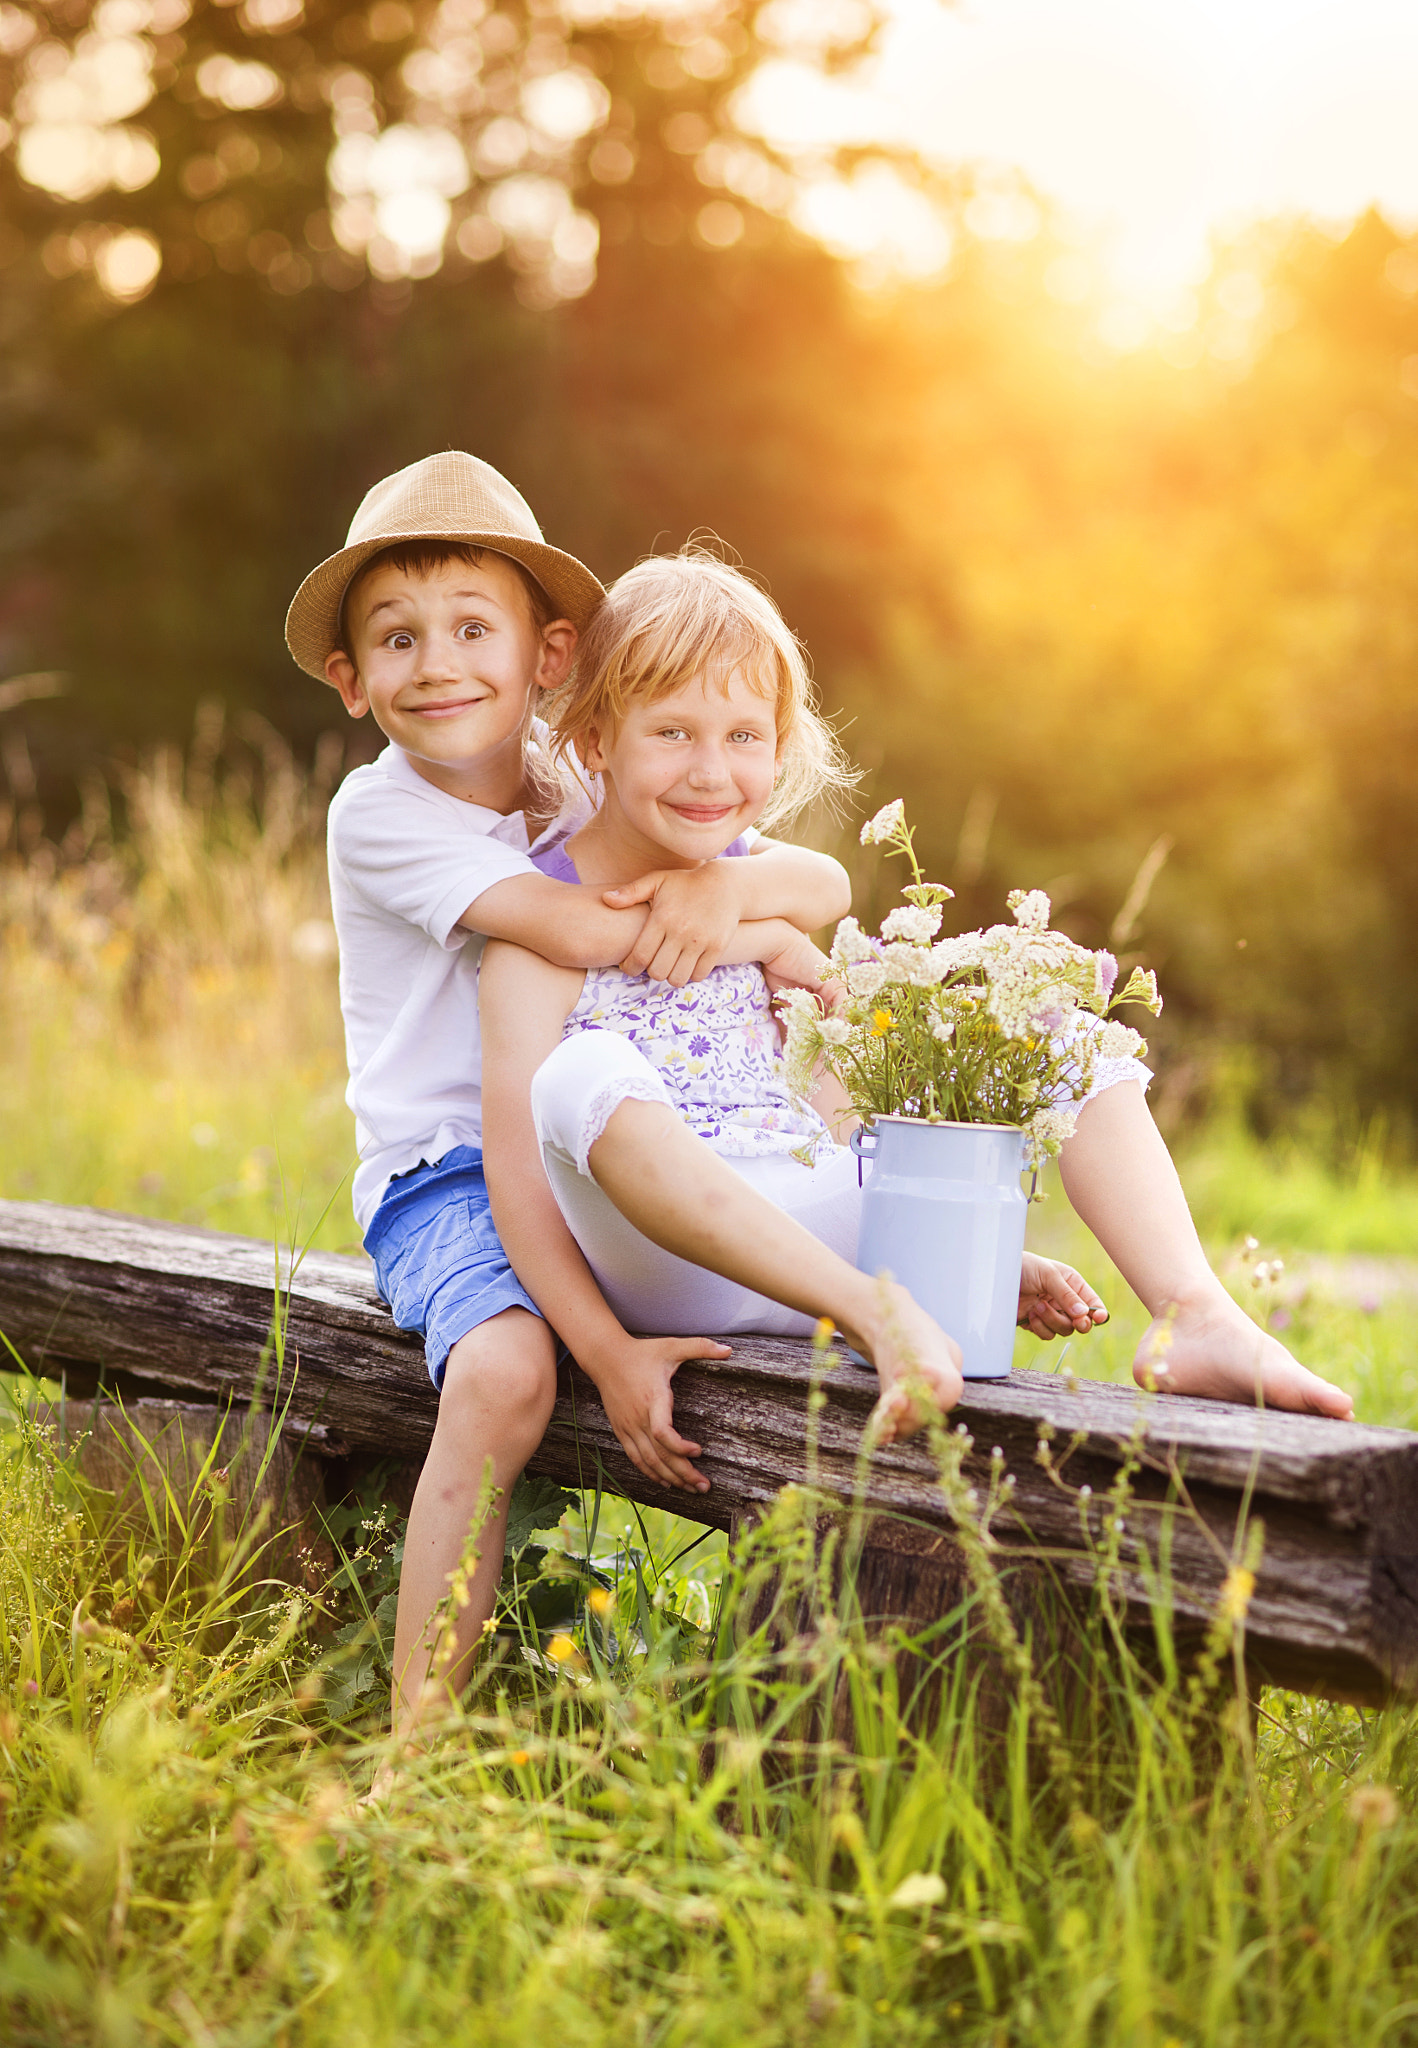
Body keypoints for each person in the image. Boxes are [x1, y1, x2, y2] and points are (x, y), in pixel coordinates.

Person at [479, 550, 1353, 1511]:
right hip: (669, 1261)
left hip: (813, 1221)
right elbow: (520, 1178)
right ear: (596, 738)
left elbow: (835, 1081)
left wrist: (948, 1229)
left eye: (743, 735)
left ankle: (1193, 1313)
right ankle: (880, 1305)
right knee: (578, 1073)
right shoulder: (537, 927)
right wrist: (606, 1355)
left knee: (1040, 1020)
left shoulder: (757, 892)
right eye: (673, 732)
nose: (712, 770)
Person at [285, 454, 854, 1730]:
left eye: (472, 629)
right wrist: (733, 904)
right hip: (447, 1170)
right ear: (350, 679)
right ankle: (416, 1739)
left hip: (598, 1148)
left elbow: (821, 883)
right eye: (397, 639)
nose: (439, 665)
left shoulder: (572, 767)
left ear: (548, 659)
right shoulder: (374, 815)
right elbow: (583, 927)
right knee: (507, 1370)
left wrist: (729, 886)